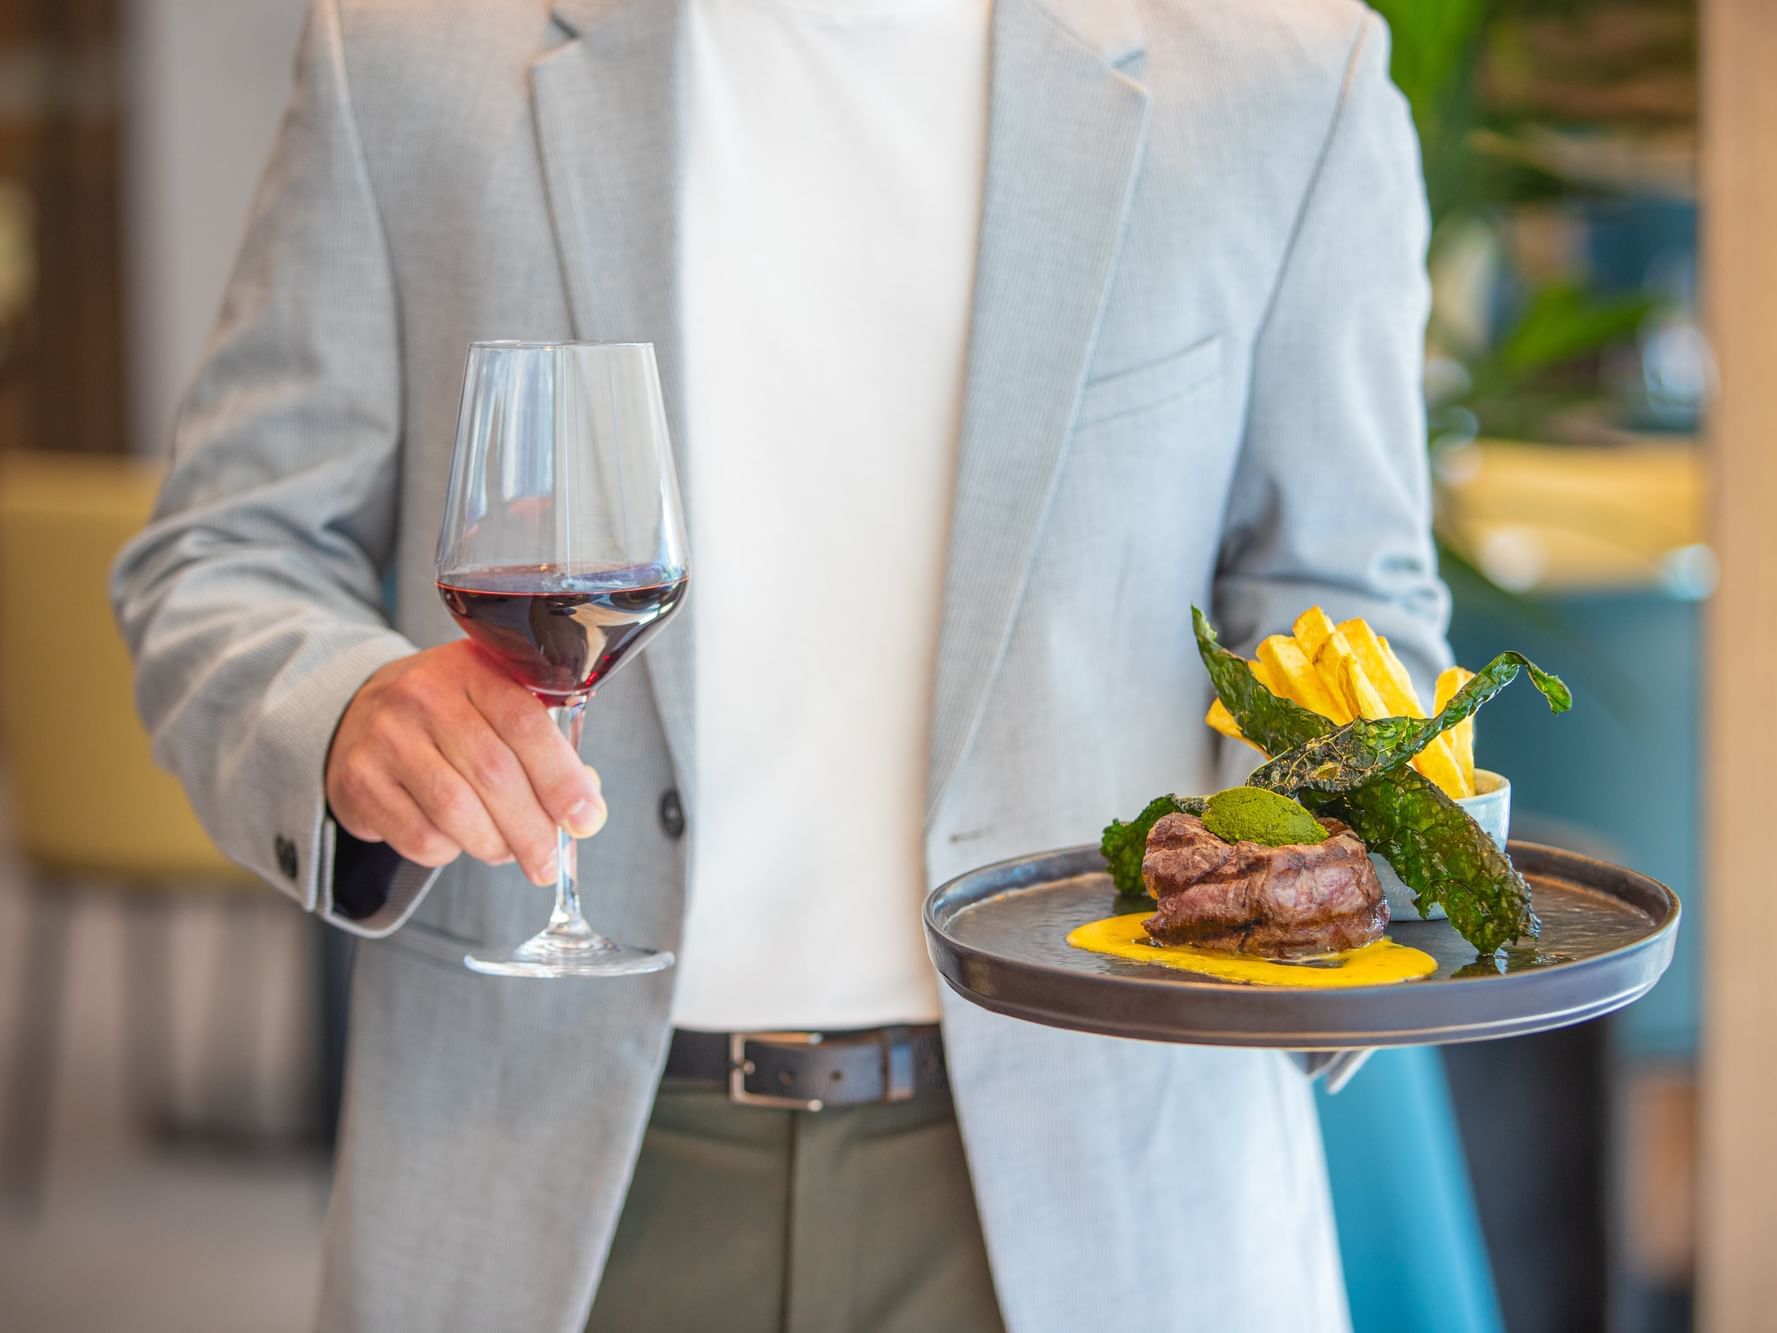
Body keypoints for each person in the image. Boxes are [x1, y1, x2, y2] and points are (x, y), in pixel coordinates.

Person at [112, 0, 1449, 1329]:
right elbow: (225, 556)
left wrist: (1300, 884)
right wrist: (349, 713)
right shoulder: (409, 52)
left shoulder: (1280, 69)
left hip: (1110, 1187)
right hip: (553, 1188)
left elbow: (1344, 601)